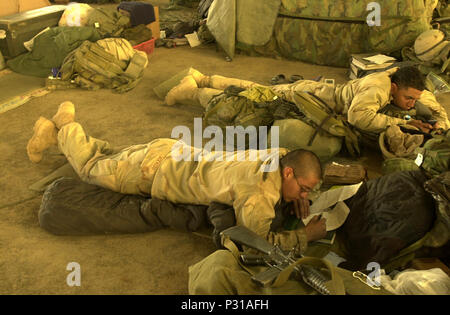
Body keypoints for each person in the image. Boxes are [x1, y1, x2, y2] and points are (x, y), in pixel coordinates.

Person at [26, 101, 327, 254]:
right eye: (303, 189)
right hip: (152, 173)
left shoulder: (278, 155)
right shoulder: (258, 191)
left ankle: (49, 134)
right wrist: (306, 236)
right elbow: (256, 243)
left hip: (171, 152)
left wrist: (298, 195)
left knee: (112, 157)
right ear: (287, 172)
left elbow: (298, 159)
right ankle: (66, 126)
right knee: (92, 168)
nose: (304, 196)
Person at [164, 66, 450, 134]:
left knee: (257, 90)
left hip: (317, 94)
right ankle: (194, 88)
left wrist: (443, 121)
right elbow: (358, 118)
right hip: (308, 98)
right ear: (395, 87)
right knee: (254, 97)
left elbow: (428, 100)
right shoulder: (378, 88)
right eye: (408, 99)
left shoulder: (401, 79)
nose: (411, 103)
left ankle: (203, 78)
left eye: (413, 100)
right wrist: (407, 122)